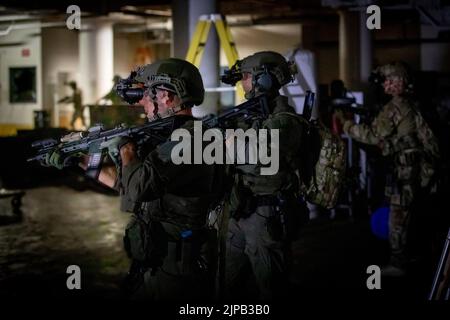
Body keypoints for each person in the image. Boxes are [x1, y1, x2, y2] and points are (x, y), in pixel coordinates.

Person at [46, 58, 224, 300]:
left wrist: (125, 147)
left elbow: (139, 188)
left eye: (148, 95)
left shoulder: (192, 139)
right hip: (154, 259)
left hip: (179, 269)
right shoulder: (169, 136)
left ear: (166, 96)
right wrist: (80, 161)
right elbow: (125, 184)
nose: (143, 104)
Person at [335, 62, 440, 276]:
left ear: (397, 82)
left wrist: (346, 124)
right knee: (412, 215)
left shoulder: (395, 106)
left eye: (387, 80)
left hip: (405, 171)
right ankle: (413, 255)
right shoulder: (411, 104)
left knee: (398, 217)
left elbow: (373, 136)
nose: (384, 84)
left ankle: (398, 263)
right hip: (417, 171)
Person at [222, 51, 308, 300]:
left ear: (265, 80)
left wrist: (227, 144)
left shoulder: (285, 120)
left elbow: (258, 160)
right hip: (241, 209)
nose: (243, 82)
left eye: (247, 76)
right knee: (226, 284)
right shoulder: (250, 115)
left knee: (272, 287)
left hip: (266, 215)